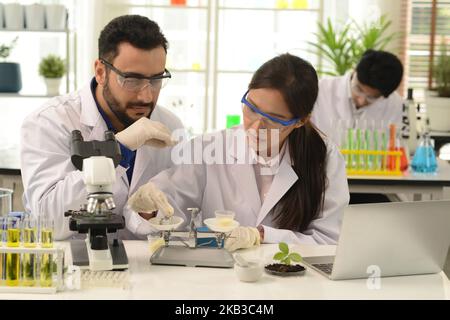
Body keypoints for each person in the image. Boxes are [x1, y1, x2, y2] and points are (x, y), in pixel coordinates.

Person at [127, 53, 350, 251]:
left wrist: (263, 235)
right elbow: (169, 206)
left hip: (290, 281)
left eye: (273, 120)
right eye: (251, 109)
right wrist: (149, 210)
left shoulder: (325, 158)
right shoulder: (208, 148)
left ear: (300, 121)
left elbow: (329, 240)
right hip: (219, 279)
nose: (254, 127)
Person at [20, 15, 183, 240]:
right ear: (100, 72)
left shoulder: (170, 125)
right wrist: (117, 150)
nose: (146, 95)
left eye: (156, 80)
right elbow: (50, 220)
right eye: (132, 80)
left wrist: (151, 214)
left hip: (145, 267)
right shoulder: (49, 122)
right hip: (71, 268)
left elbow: (175, 213)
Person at [311, 49, 404, 146]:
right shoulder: (321, 90)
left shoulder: (395, 105)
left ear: (385, 96)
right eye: (358, 89)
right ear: (354, 71)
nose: (361, 101)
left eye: (371, 97)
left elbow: (397, 144)